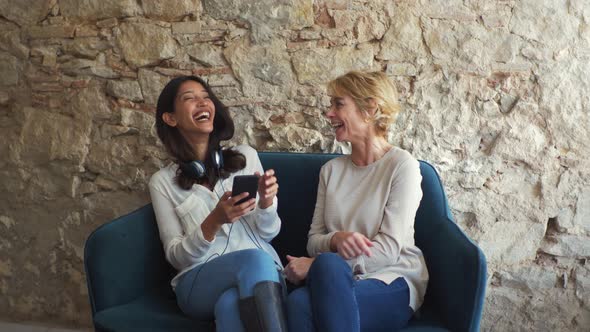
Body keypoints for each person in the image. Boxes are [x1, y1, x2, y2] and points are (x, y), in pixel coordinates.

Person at [284, 71, 428, 331]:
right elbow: (313, 241)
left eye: (338, 104)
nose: (329, 113)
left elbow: (387, 251)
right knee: (298, 302)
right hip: (337, 279)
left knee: (321, 272)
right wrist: (335, 239)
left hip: (391, 278)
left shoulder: (401, 166)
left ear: (370, 109)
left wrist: (316, 264)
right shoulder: (331, 171)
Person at [148, 75, 287, 332]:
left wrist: (267, 203)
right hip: (198, 281)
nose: (202, 103)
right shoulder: (162, 182)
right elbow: (176, 257)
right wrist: (213, 221)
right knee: (254, 261)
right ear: (171, 118)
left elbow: (268, 233)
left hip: (264, 273)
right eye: (190, 98)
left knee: (229, 305)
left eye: (206, 97)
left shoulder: (246, 158)